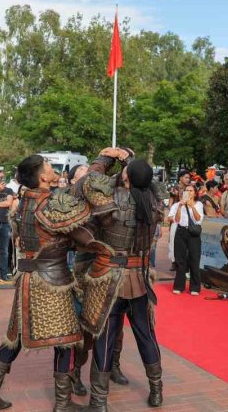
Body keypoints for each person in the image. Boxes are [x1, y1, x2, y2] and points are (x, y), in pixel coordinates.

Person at [0, 152, 113, 412]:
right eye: (49, 166)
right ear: (42, 176)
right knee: (66, 340)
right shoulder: (50, 205)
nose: (53, 169)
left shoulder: (24, 202)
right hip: (51, 281)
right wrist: (101, 247)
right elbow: (82, 233)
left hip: (27, 278)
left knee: (15, 337)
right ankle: (62, 404)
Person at [78, 157, 166, 410]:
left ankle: (99, 401)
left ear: (126, 177)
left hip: (110, 277)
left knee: (105, 338)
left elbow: (90, 183)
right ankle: (156, 390)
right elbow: (154, 184)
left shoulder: (113, 199)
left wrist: (104, 160)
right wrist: (131, 163)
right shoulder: (154, 202)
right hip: (139, 277)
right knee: (146, 335)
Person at [169, 183, 203, 295]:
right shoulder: (178, 204)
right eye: (186, 190)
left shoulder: (198, 204)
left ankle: (195, 287)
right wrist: (180, 206)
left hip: (193, 233)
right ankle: (179, 286)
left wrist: (191, 206)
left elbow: (198, 219)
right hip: (181, 231)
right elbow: (177, 220)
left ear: (195, 193)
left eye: (191, 190)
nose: (188, 192)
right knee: (180, 259)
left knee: (194, 259)